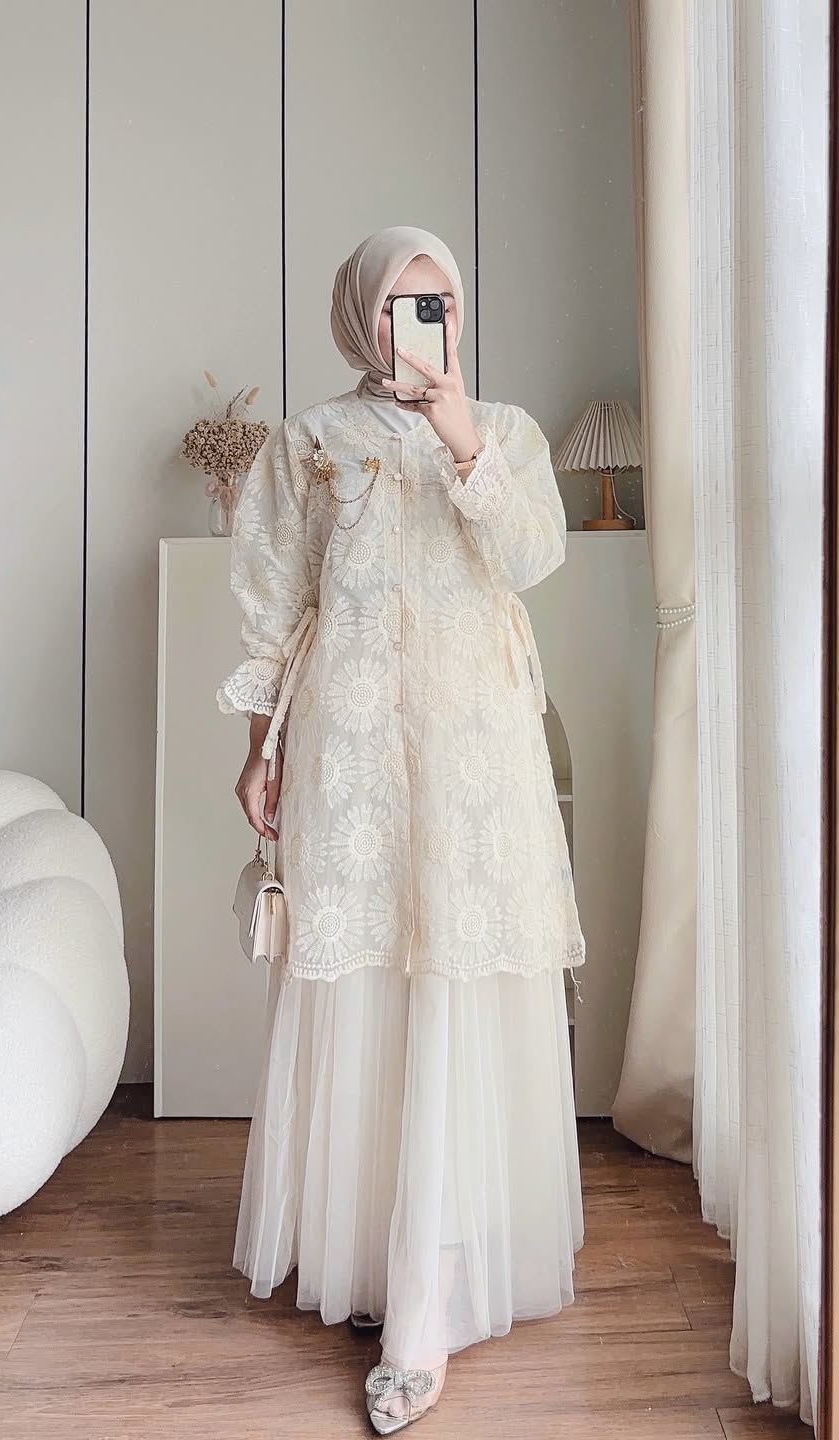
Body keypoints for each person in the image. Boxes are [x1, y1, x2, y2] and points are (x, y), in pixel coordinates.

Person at [218, 225, 585, 1434]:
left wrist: (462, 435)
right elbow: (276, 610)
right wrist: (259, 751)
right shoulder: (306, 443)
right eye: (397, 305)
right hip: (357, 756)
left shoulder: (507, 431)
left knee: (457, 986)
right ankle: (391, 1263)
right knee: (371, 987)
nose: (419, 325)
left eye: (439, 303)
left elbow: (533, 557)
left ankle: (428, 1303)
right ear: (357, 317)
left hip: (475, 759)